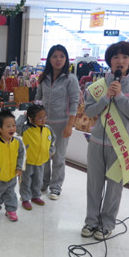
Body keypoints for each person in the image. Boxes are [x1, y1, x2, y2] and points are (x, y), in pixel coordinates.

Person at [81, 41, 129, 240]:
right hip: (96, 143)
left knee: (114, 188)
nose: (120, 61)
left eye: (125, 57)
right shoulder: (96, 86)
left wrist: (120, 97)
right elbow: (89, 112)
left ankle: (107, 224)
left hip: (120, 146)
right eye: (116, 57)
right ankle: (91, 221)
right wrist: (105, 98)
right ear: (109, 61)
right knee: (94, 185)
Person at [36, 44, 80, 200]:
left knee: (59, 157)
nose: (58, 59)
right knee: (44, 155)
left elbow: (75, 102)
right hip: (44, 124)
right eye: (54, 56)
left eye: (62, 56)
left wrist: (70, 124)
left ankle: (55, 187)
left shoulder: (70, 79)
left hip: (62, 124)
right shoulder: (43, 78)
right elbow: (38, 98)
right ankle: (43, 183)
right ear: (49, 59)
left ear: (66, 59)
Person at [0, 108, 26, 221]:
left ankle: (11, 210)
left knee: (11, 194)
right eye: (8, 126)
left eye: (13, 125)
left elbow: (22, 155)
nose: (12, 128)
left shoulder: (18, 141)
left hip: (11, 175)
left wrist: (19, 167)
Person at [16, 103, 55, 209]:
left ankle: (35, 196)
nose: (43, 120)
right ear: (31, 119)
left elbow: (52, 140)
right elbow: (17, 126)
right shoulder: (25, 129)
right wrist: (24, 116)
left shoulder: (48, 129)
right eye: (40, 118)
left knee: (38, 180)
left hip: (41, 161)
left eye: (44, 117)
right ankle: (25, 198)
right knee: (25, 181)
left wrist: (50, 151)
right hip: (27, 161)